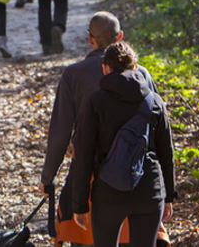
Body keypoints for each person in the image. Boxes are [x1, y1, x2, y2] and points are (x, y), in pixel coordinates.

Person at [39, 12, 170, 247]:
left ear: (90, 39)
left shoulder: (73, 75)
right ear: (120, 37)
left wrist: (48, 178)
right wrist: (167, 192)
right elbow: (161, 139)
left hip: (95, 178)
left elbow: (61, 134)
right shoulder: (144, 76)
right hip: (142, 176)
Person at [68, 42, 178, 247]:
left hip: (109, 192)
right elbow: (166, 151)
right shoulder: (154, 101)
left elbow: (84, 153)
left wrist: (80, 204)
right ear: (135, 67)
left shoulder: (96, 102)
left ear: (105, 69)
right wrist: (169, 195)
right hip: (149, 190)